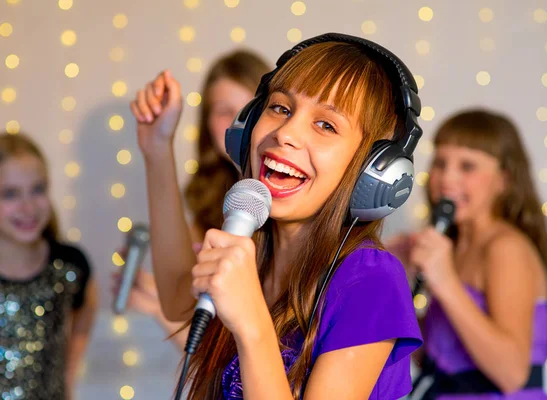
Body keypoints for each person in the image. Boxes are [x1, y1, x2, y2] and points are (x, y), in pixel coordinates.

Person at [131, 33, 424, 399]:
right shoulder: (254, 254)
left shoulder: (372, 280)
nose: (286, 133)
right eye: (281, 108)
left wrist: (251, 321)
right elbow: (177, 301)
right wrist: (157, 150)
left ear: (373, 171)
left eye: (326, 125)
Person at [386, 109, 547, 399]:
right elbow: (431, 358)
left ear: (504, 179)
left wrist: (446, 283)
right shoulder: (453, 247)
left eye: (467, 166)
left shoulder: (505, 248)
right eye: (441, 163)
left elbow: (512, 374)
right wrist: (397, 279)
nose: (447, 178)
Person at [113, 49, 272, 351]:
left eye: (251, 107)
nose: (240, 122)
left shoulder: (295, 207)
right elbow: (185, 317)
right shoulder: (204, 215)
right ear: (207, 124)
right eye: (225, 110)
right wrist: (157, 146)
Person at [0, 132, 98, 400]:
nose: (28, 206)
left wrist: (69, 370)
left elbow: (85, 310)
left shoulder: (70, 265)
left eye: (38, 189)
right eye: (10, 194)